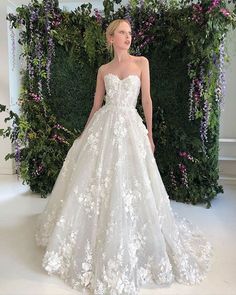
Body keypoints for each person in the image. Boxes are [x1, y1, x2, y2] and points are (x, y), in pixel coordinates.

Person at [35, 18, 213, 295]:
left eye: (130, 33)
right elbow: (96, 104)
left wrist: (150, 134)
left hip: (130, 127)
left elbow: (147, 100)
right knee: (96, 183)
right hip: (104, 128)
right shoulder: (103, 69)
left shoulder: (141, 63)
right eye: (122, 33)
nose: (128, 37)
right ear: (111, 38)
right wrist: (83, 135)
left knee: (132, 183)